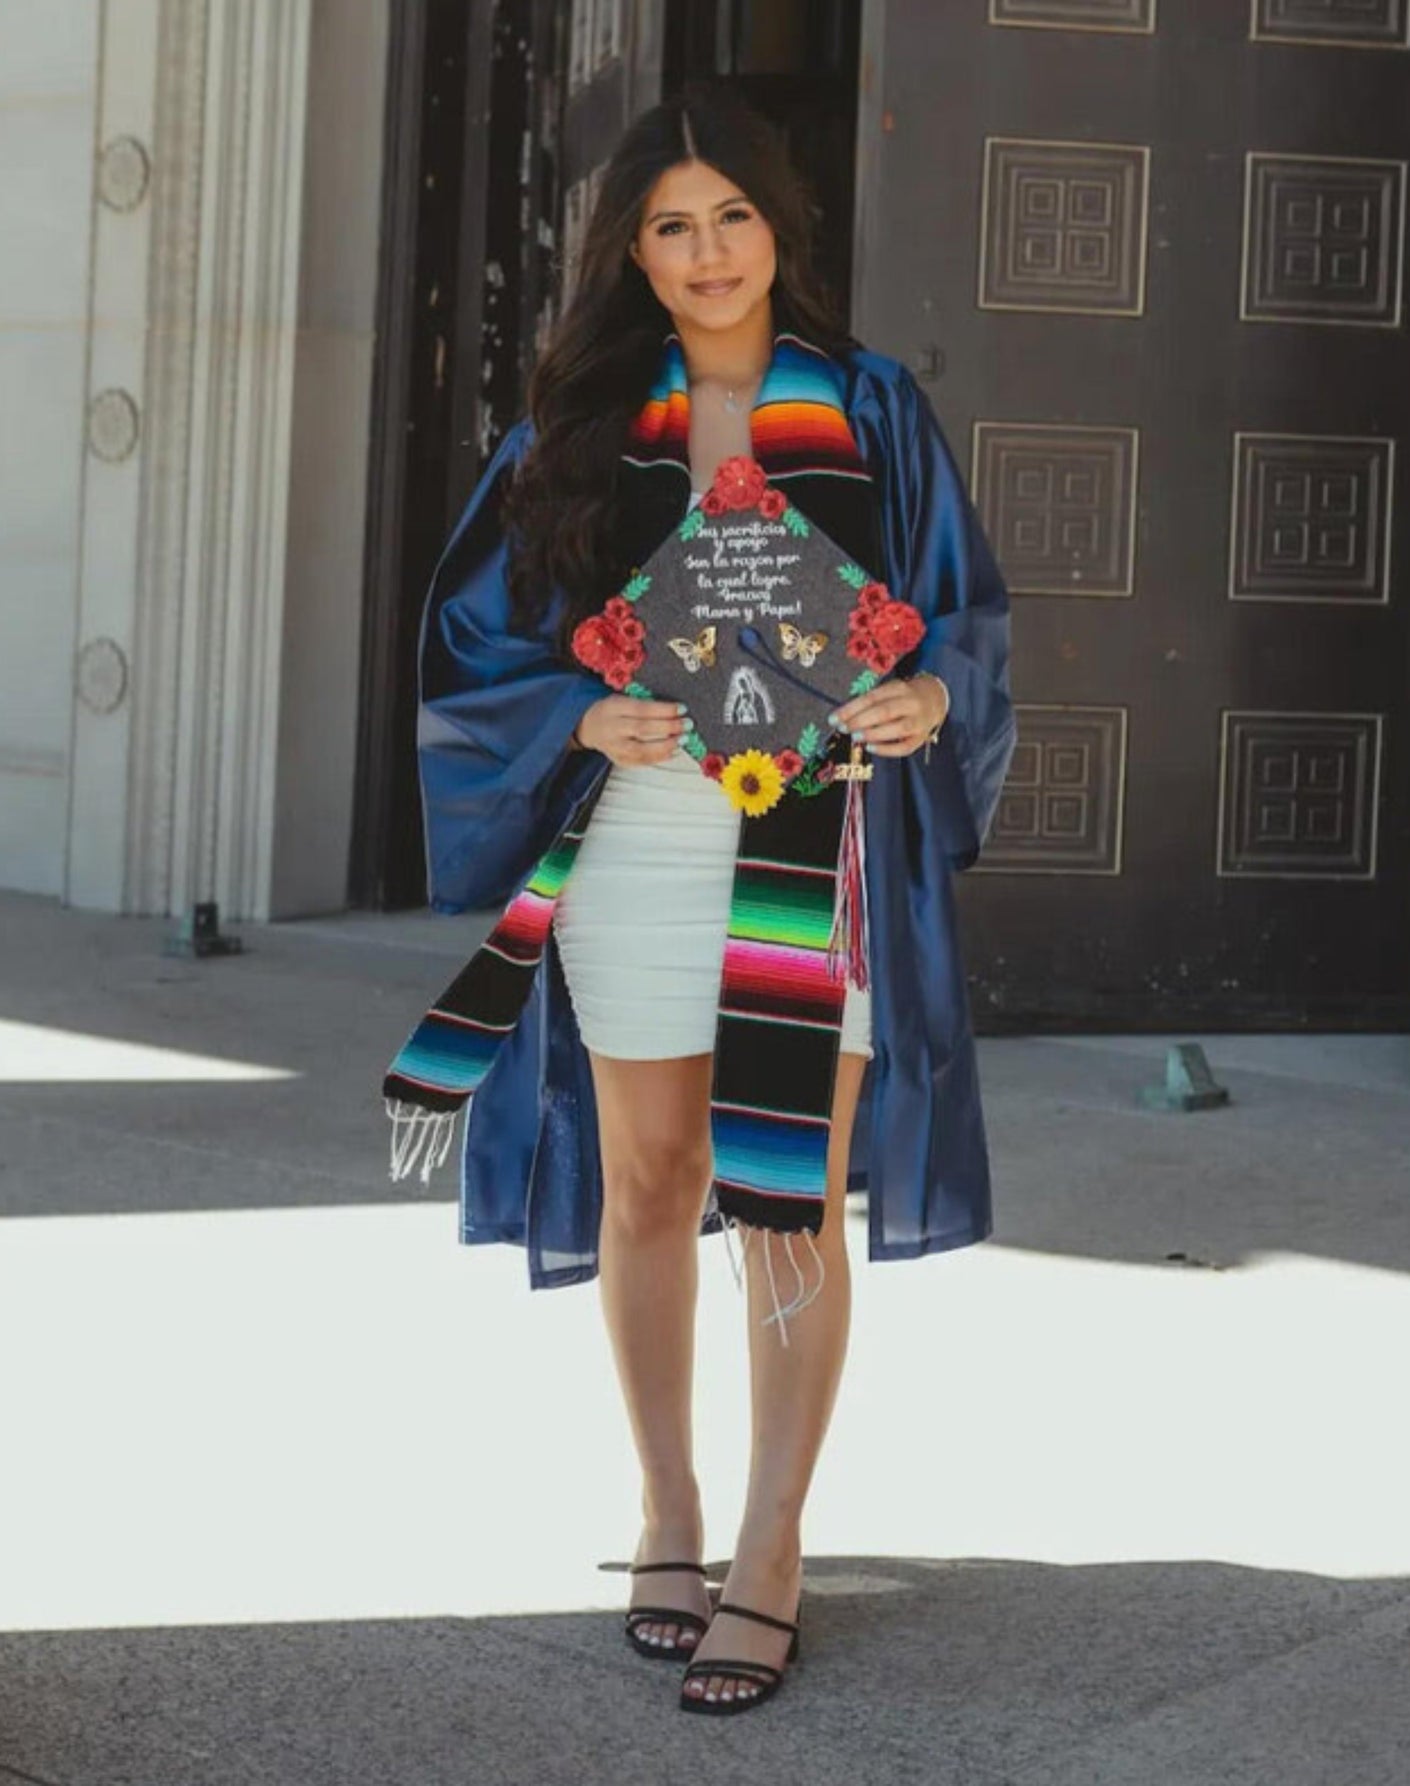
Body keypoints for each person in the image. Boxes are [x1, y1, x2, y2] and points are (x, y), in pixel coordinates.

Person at [407, 84, 1016, 1715]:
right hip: (637, 846)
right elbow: (479, 643)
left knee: (783, 1198)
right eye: (669, 224)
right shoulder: (581, 422)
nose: (705, 251)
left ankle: (770, 1544)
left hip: (811, 842)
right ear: (633, 250)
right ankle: (668, 1507)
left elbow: (959, 614)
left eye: (730, 215)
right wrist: (579, 714)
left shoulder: (869, 408)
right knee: (649, 1181)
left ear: (777, 228)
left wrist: (926, 699)